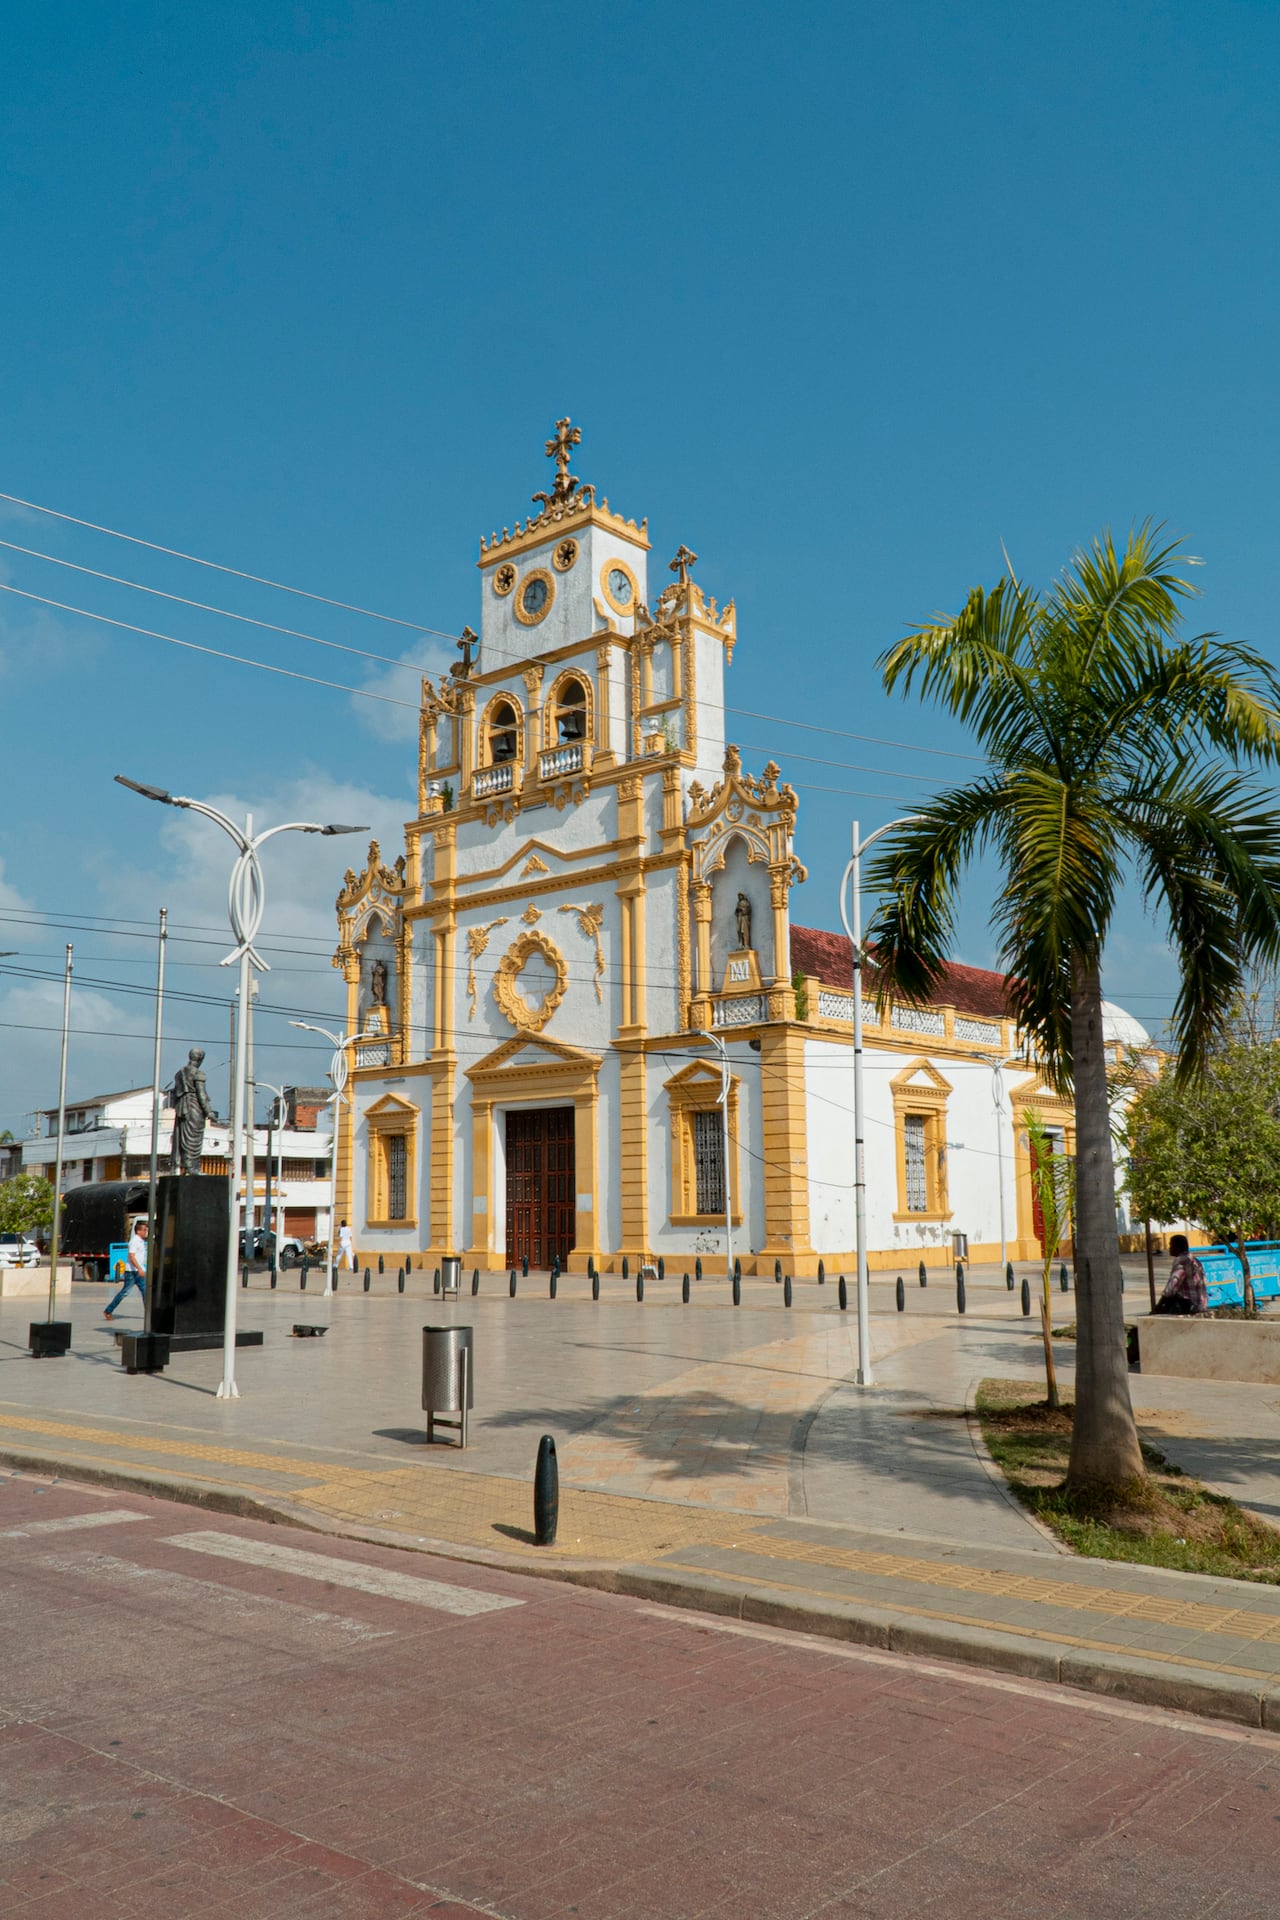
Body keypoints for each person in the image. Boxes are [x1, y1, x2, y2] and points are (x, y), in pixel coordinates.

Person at [1153, 1232, 1208, 1315]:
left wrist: (1158, 1306)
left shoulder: (1181, 1261)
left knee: (1168, 1304)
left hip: (1191, 1304)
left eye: (1171, 1245)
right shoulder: (1192, 1259)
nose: (1169, 1248)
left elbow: (1172, 1287)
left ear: (1178, 1247)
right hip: (1201, 1303)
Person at [104, 1220, 147, 1320]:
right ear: (138, 1231)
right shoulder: (134, 1241)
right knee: (125, 1292)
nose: (146, 1232)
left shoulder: (141, 1242)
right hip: (131, 1272)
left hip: (138, 1272)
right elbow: (131, 1256)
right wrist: (139, 1268)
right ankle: (108, 1310)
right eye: (144, 1230)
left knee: (146, 1293)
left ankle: (149, 1315)